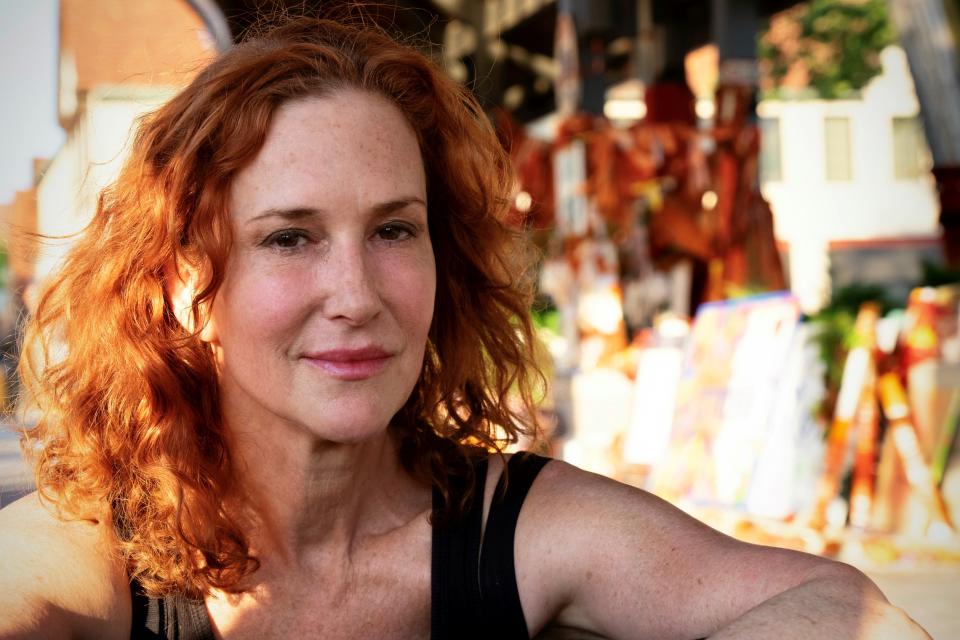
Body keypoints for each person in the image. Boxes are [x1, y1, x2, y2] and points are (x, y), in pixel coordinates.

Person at [0, 17, 929, 640]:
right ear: (181, 288)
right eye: (290, 238)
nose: (357, 294)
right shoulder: (101, 548)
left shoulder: (509, 527)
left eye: (394, 229)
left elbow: (855, 610)